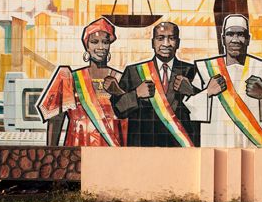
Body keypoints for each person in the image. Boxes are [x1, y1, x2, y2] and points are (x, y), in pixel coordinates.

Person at [188, 14, 262, 148]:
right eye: (230, 34)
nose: (235, 40)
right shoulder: (206, 69)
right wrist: (207, 93)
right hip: (217, 141)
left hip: (253, 143)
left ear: (248, 39)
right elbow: (190, 109)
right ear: (223, 39)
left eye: (240, 34)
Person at [37, 17, 126, 147]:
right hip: (78, 146)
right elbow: (56, 119)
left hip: (113, 149)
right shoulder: (69, 78)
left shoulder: (121, 78)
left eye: (105, 42)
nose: (101, 47)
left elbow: (132, 119)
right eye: (94, 42)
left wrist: (119, 92)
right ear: (87, 46)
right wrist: (51, 152)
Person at [110, 21, 200, 147]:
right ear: (153, 42)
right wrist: (136, 94)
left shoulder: (192, 71)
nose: (166, 44)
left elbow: (207, 111)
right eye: (160, 38)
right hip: (143, 147)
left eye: (171, 38)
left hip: (180, 146)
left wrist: (192, 91)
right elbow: (117, 109)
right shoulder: (134, 71)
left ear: (178, 43)